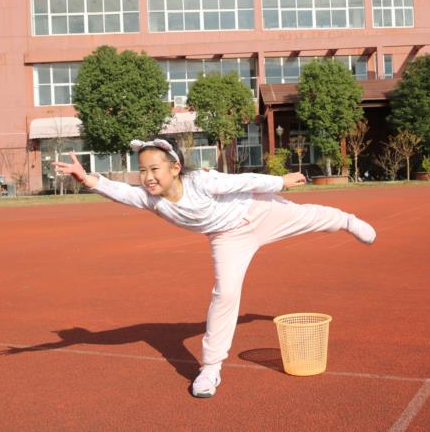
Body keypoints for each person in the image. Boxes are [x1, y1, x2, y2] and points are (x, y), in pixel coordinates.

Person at [53, 138, 376, 399]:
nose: (148, 177)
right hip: (227, 238)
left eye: (154, 169)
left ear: (175, 168)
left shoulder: (201, 180)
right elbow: (120, 191)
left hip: (258, 211)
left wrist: (281, 181)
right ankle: (210, 368)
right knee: (225, 294)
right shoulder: (150, 199)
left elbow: (243, 180)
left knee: (312, 217)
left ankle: (347, 220)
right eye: (142, 170)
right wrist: (87, 178)